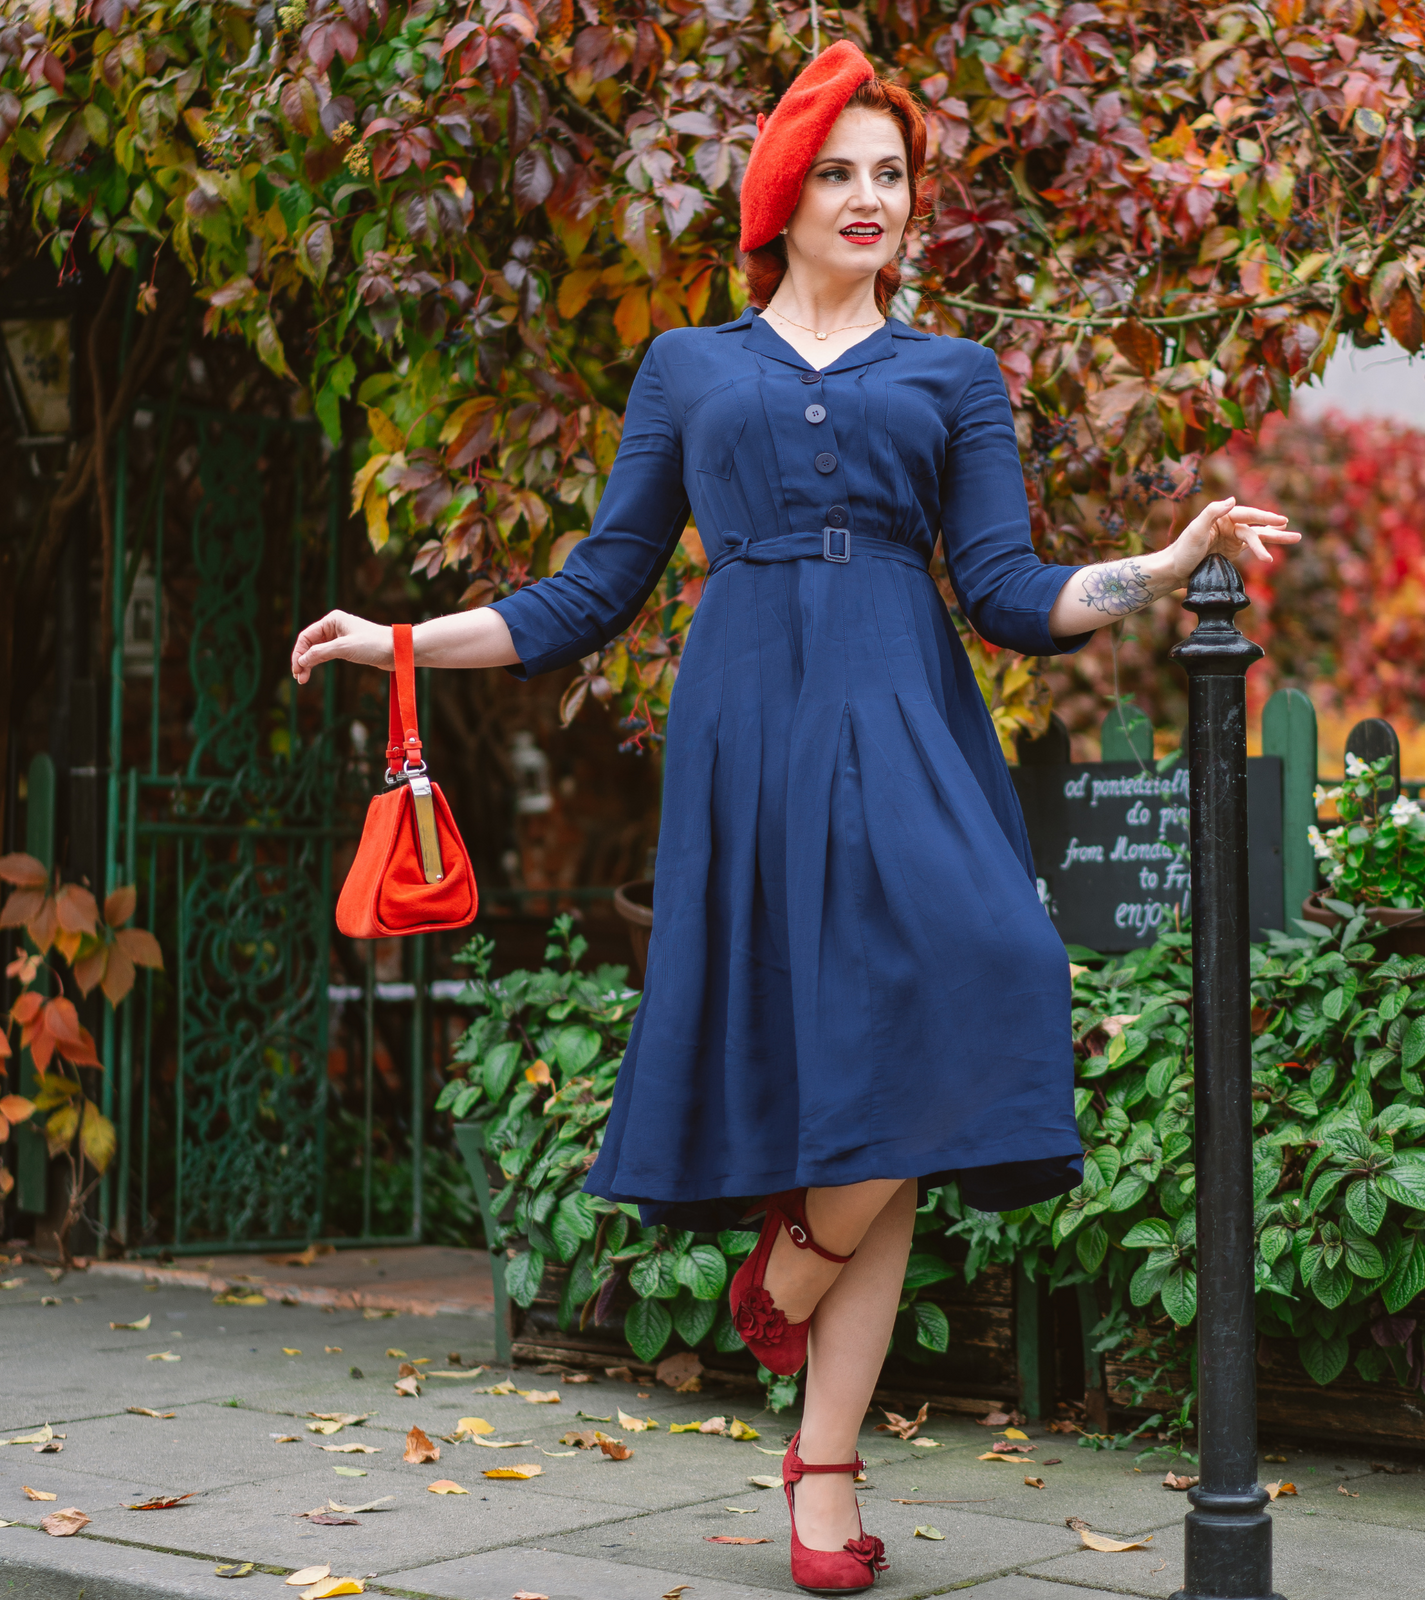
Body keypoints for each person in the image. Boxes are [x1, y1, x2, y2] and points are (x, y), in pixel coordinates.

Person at [292, 40, 1299, 1595]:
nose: (869, 197)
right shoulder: (689, 369)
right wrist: (405, 643)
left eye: (891, 173)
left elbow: (1011, 595)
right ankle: (824, 1482)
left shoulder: (954, 377)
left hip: (908, 717)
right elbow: (594, 588)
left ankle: (799, 1260)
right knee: (858, 1092)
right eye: (838, 171)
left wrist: (1163, 570)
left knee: (1001, 966)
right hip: (751, 730)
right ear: (783, 196)